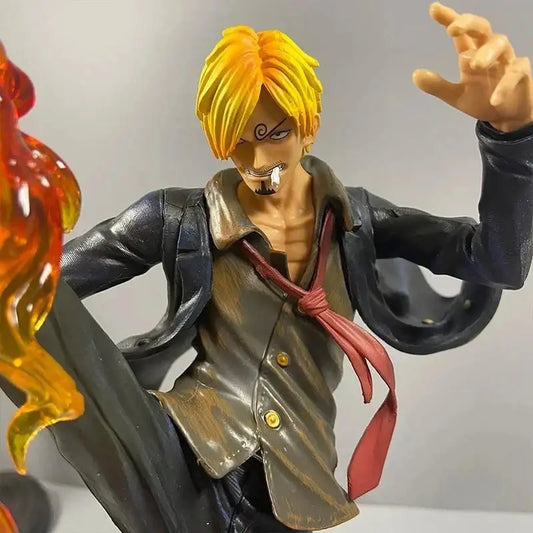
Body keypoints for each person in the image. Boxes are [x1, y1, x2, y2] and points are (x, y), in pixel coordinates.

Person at [1, 3, 532, 532]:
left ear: (309, 125)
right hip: (186, 451)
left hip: (296, 481)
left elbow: (496, 261)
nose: (257, 161)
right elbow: (41, 277)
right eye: (239, 141)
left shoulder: (357, 221)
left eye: (275, 133)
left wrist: (511, 139)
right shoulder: (179, 218)